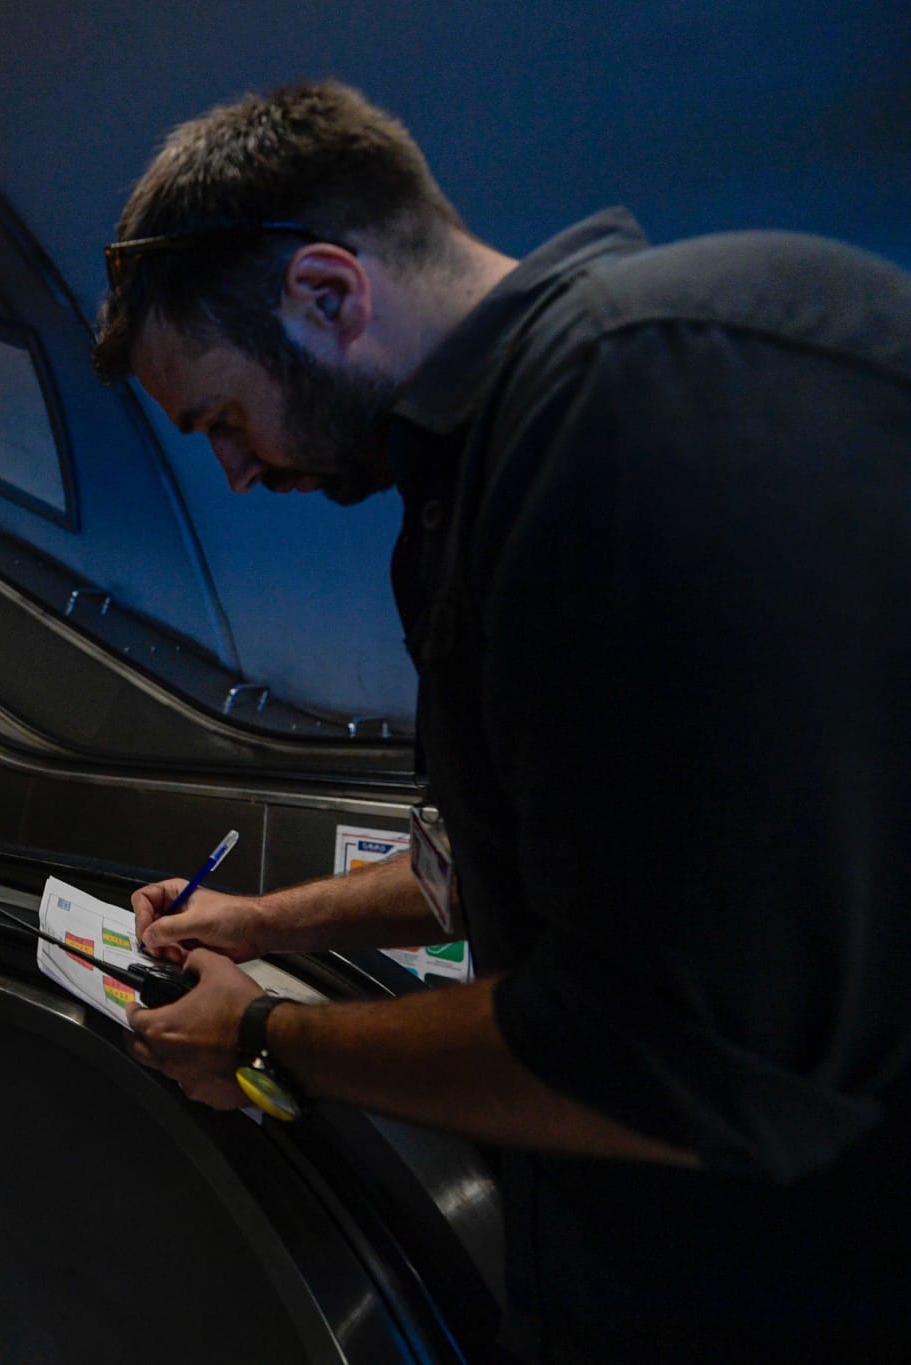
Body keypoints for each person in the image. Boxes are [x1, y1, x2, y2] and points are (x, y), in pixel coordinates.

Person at [92, 80, 910, 1362]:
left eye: (221, 419)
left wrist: (263, 1033)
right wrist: (256, 923)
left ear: (324, 292)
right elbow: (540, 864)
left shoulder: (632, 407)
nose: (235, 471)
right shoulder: (483, 471)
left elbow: (660, 1043)